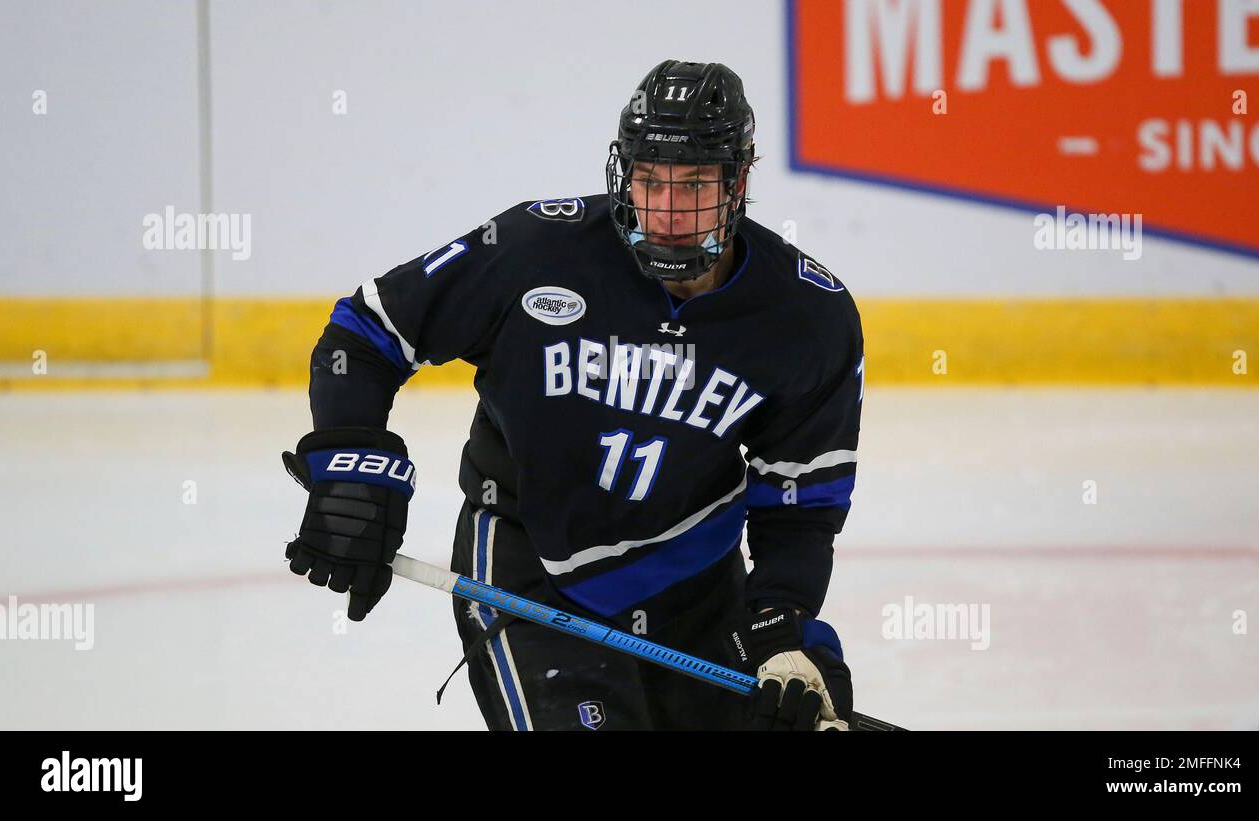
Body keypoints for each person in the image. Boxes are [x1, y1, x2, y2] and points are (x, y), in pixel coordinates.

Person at [281, 59, 865, 731]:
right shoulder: (536, 250)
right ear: (624, 174)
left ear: (738, 184)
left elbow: (798, 509)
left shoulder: (805, 316)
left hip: (698, 584)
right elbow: (366, 331)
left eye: (696, 183)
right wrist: (354, 460)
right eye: (650, 181)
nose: (669, 212)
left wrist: (782, 630)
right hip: (529, 566)